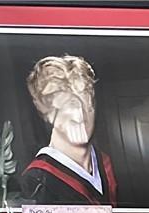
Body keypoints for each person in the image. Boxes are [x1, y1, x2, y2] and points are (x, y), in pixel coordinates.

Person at [20, 55, 117, 205]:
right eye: (69, 105)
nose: (80, 116)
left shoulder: (107, 164)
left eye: (86, 102)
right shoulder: (37, 180)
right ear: (48, 113)